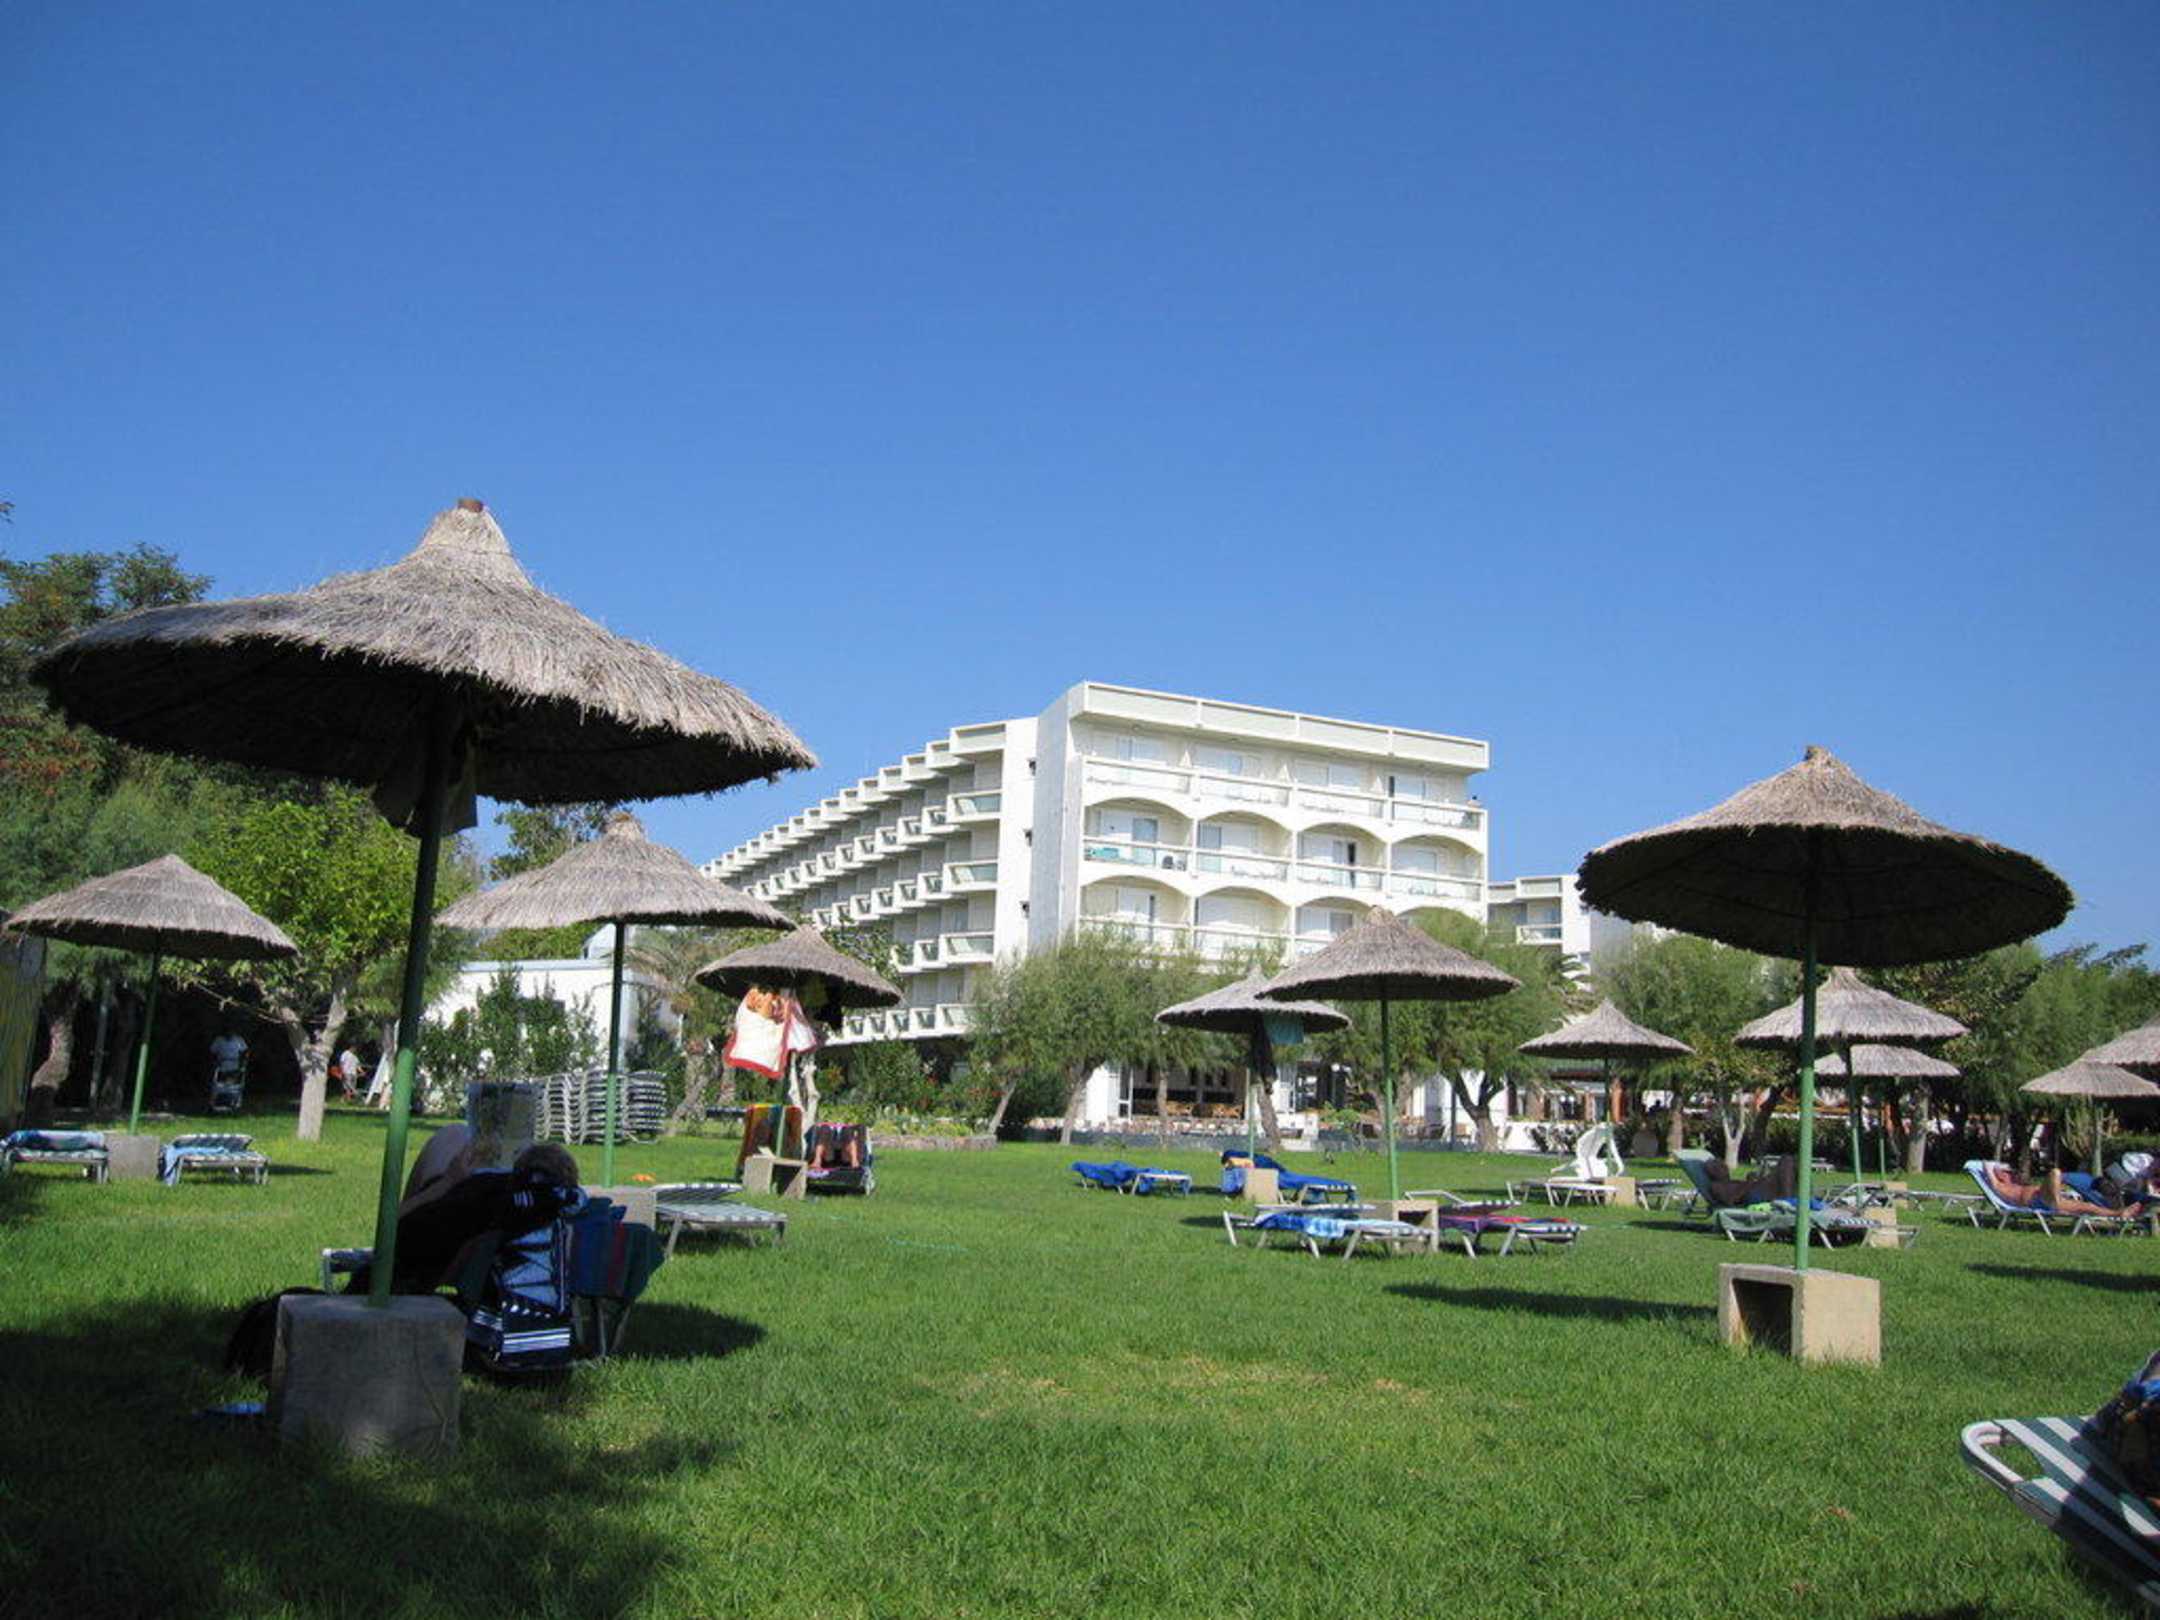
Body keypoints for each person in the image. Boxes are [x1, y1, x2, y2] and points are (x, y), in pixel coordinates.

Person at [346, 1140, 584, 1296]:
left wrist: (446, 1183)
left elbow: (390, 1227)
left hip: (399, 1276)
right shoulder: (553, 1215)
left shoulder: (477, 1198)